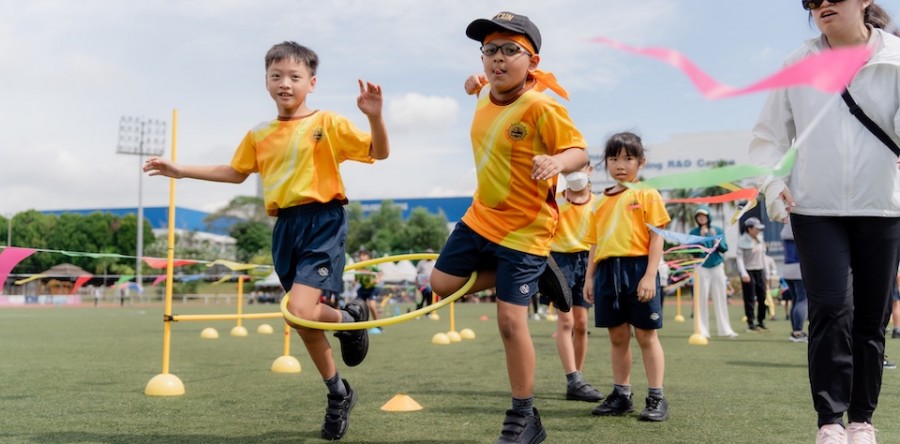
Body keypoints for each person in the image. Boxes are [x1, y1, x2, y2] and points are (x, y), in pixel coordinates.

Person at [144, 41, 389, 441]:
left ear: (311, 82)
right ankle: (339, 387)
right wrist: (180, 169)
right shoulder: (259, 133)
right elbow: (235, 172)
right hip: (285, 228)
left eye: (294, 76)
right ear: (266, 81)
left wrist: (376, 118)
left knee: (299, 309)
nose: (284, 83)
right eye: (276, 76)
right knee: (299, 318)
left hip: (323, 221)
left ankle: (348, 324)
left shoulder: (327, 122)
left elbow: (379, 151)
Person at [429, 11, 589, 444]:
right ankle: (540, 273)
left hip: (524, 228)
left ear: (532, 62)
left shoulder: (541, 107)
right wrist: (474, 85)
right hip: (480, 216)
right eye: (490, 50)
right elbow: (483, 87)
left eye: (509, 50)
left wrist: (557, 161)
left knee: (509, 322)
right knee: (441, 284)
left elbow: (579, 151)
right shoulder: (485, 92)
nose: (497, 58)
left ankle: (524, 415)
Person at [748, 2, 900, 442]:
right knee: (832, 308)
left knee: (871, 318)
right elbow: (768, 137)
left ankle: (862, 420)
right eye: (813, 0)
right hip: (815, 207)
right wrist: (772, 184)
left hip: (882, 206)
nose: (823, 5)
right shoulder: (797, 63)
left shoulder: (895, 58)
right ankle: (830, 421)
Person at [584, 132, 671, 422]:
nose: (620, 165)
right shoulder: (599, 201)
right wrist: (589, 278)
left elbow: (657, 236)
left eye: (628, 158)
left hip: (638, 269)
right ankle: (622, 395)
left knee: (646, 334)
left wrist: (649, 275)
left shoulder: (647, 194)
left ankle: (656, 397)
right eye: (613, 158)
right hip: (607, 271)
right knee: (618, 336)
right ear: (605, 162)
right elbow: (594, 243)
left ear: (641, 162)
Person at [544, 163, 604, 402]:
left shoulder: (598, 203)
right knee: (566, 321)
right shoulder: (555, 201)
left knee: (581, 323)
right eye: (569, 170)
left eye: (580, 168)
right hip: (560, 262)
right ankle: (573, 378)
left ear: (590, 170)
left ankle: (578, 379)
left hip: (588, 261)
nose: (575, 174)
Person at [688, 205, 738, 339]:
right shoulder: (693, 232)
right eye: (699, 216)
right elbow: (692, 251)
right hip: (701, 267)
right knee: (701, 299)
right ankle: (702, 330)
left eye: (703, 215)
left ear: (708, 216)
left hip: (717, 266)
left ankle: (725, 330)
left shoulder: (718, 230)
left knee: (721, 297)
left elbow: (724, 248)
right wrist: (701, 237)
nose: (701, 218)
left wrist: (715, 238)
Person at [736, 217, 769, 332]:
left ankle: (761, 321)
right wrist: (743, 273)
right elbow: (739, 258)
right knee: (749, 298)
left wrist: (767, 273)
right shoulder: (741, 240)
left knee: (762, 297)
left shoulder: (760, 239)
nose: (758, 231)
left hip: (760, 270)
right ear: (749, 229)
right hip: (748, 271)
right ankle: (750, 322)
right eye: (756, 228)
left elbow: (764, 257)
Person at [781, 220, 809, 343]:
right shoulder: (799, 229)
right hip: (798, 268)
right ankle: (798, 332)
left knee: (796, 300)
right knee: (802, 300)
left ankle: (795, 331)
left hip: (787, 269)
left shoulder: (785, 232)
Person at [354, 248, 382, 331]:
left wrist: (378, 279)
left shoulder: (372, 265)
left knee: (372, 306)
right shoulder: (358, 267)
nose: (361, 257)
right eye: (360, 256)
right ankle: (360, 326)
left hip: (373, 288)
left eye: (364, 255)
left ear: (368, 257)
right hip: (363, 289)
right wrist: (354, 282)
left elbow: (381, 273)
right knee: (358, 307)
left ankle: (378, 325)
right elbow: (356, 278)